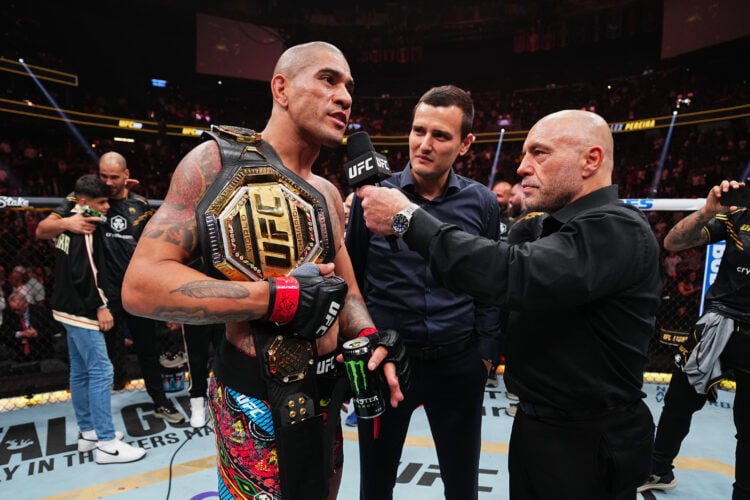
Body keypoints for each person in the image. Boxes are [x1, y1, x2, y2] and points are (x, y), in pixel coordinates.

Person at [120, 41, 406, 500]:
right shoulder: (217, 162)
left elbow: (347, 290)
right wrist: (277, 297)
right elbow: (140, 285)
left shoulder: (329, 193)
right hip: (254, 396)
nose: (345, 97)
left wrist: (369, 338)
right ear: (282, 88)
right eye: (328, 79)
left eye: (349, 87)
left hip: (325, 393)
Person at [357, 109, 661, 499]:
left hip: (590, 437)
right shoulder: (545, 228)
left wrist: (406, 219)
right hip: (537, 424)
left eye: (540, 153)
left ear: (591, 160)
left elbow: (512, 274)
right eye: (523, 155)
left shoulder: (618, 228)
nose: (522, 167)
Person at [346, 85, 502, 500]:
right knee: (374, 485)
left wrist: (484, 355)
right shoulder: (372, 200)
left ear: (466, 143)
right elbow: (353, 279)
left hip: (459, 363)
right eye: (418, 131)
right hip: (388, 365)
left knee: (462, 485)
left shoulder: (483, 203)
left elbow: (490, 284)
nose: (424, 144)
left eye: (440, 135)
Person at [36, 151, 184, 422]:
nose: (108, 181)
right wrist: (68, 221)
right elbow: (42, 229)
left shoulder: (140, 204)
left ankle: (160, 402)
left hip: (136, 290)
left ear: (126, 176)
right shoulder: (87, 201)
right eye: (103, 175)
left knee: (147, 351)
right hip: (103, 295)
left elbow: (154, 248)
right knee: (101, 358)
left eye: (114, 177)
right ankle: (99, 417)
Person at [638, 179, 750, 499]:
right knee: (678, 400)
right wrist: (707, 212)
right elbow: (673, 242)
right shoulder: (738, 216)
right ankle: (659, 468)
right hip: (716, 320)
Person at [49, 174, 146, 464]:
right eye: (101, 202)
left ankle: (88, 433)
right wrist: (101, 306)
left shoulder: (68, 219)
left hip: (65, 307)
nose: (106, 207)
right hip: (81, 310)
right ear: (83, 202)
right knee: (102, 370)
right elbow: (87, 273)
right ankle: (106, 443)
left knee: (80, 371)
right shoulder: (83, 227)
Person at [1, 291, 63, 362]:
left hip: (41, 348)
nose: (16, 312)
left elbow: (55, 328)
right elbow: (4, 332)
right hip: (18, 350)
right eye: (13, 310)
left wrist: (37, 333)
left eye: (18, 309)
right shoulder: (8, 313)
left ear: (26, 304)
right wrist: (19, 334)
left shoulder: (40, 311)